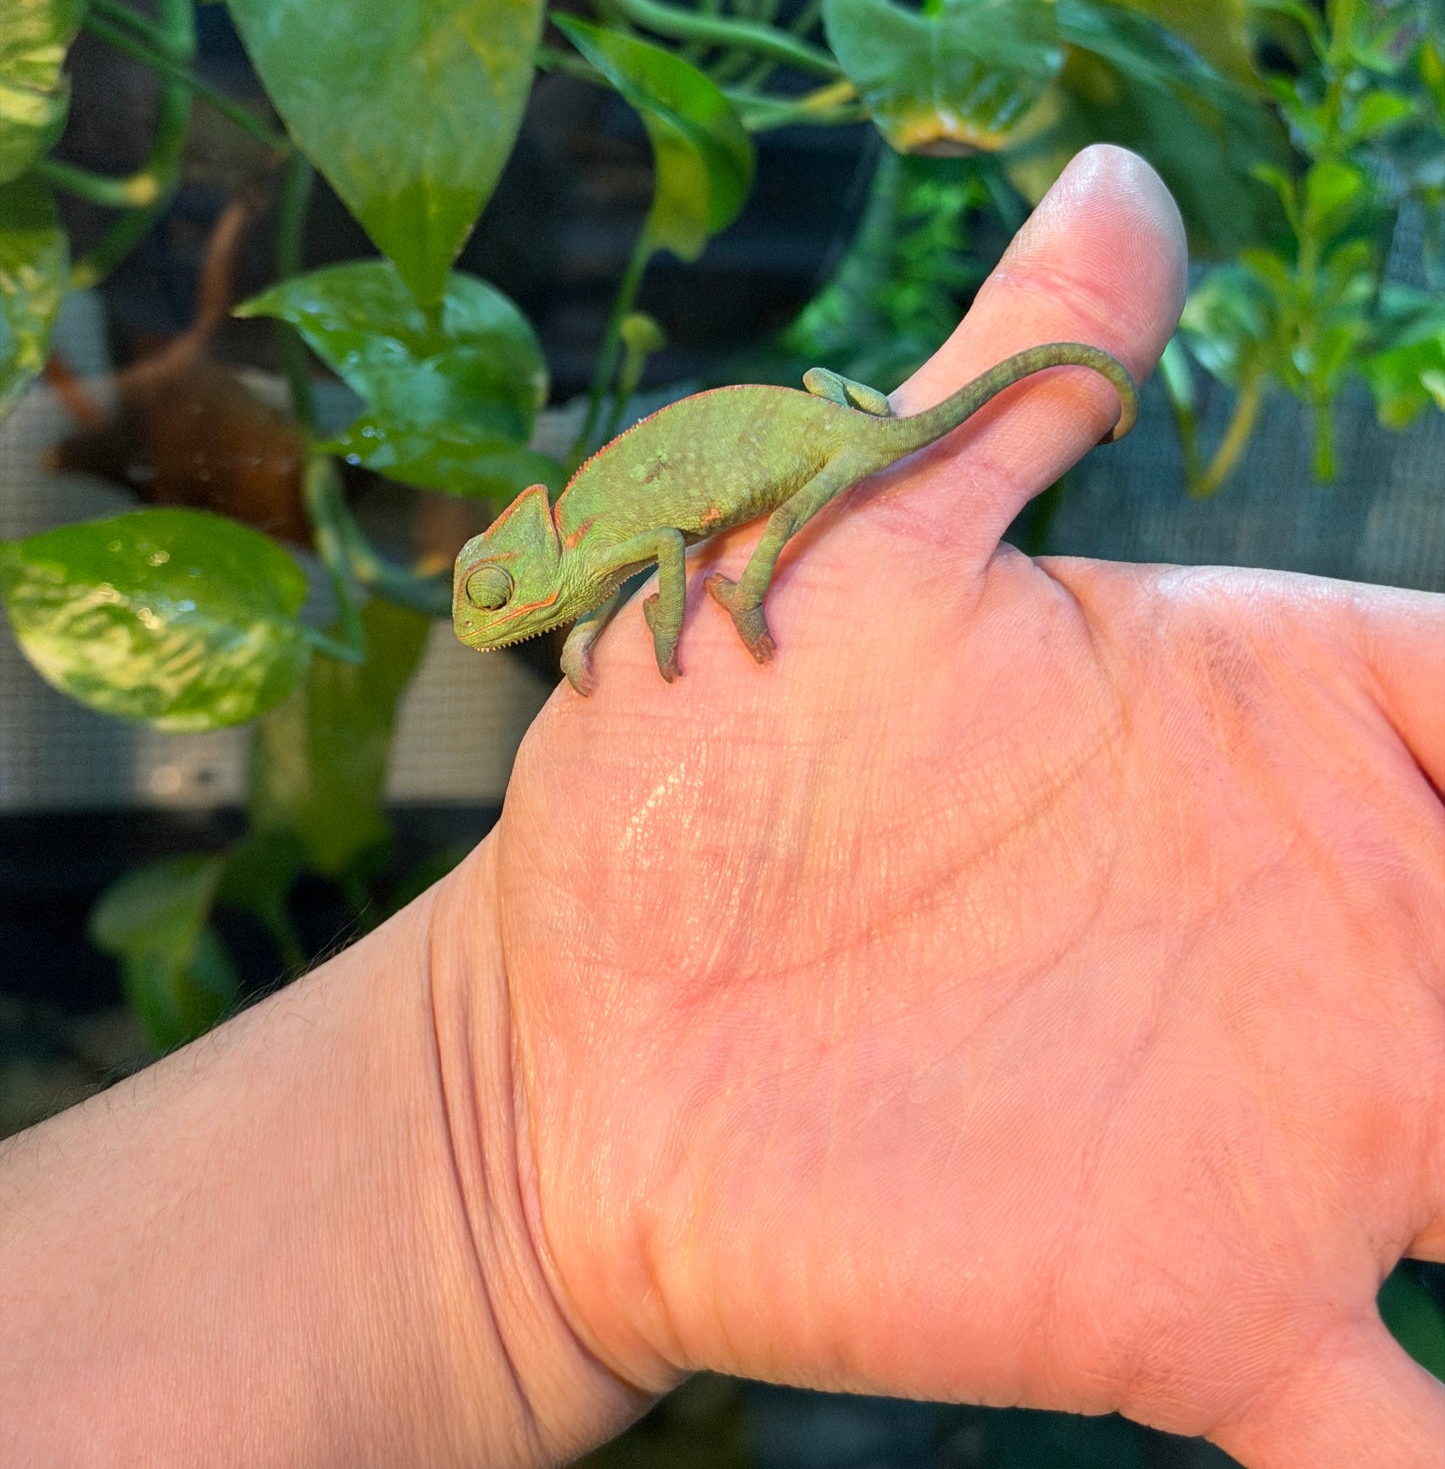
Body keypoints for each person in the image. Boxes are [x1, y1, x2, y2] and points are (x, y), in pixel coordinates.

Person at [1, 146, 1440, 1468]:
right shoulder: (584, 532)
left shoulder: (601, 535)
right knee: (757, 515)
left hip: (812, 455)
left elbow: (669, 558)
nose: (500, 614)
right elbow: (633, 561)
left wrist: (679, 614)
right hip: (812, 420)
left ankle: (789, 562)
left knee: (746, 568)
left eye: (501, 596)